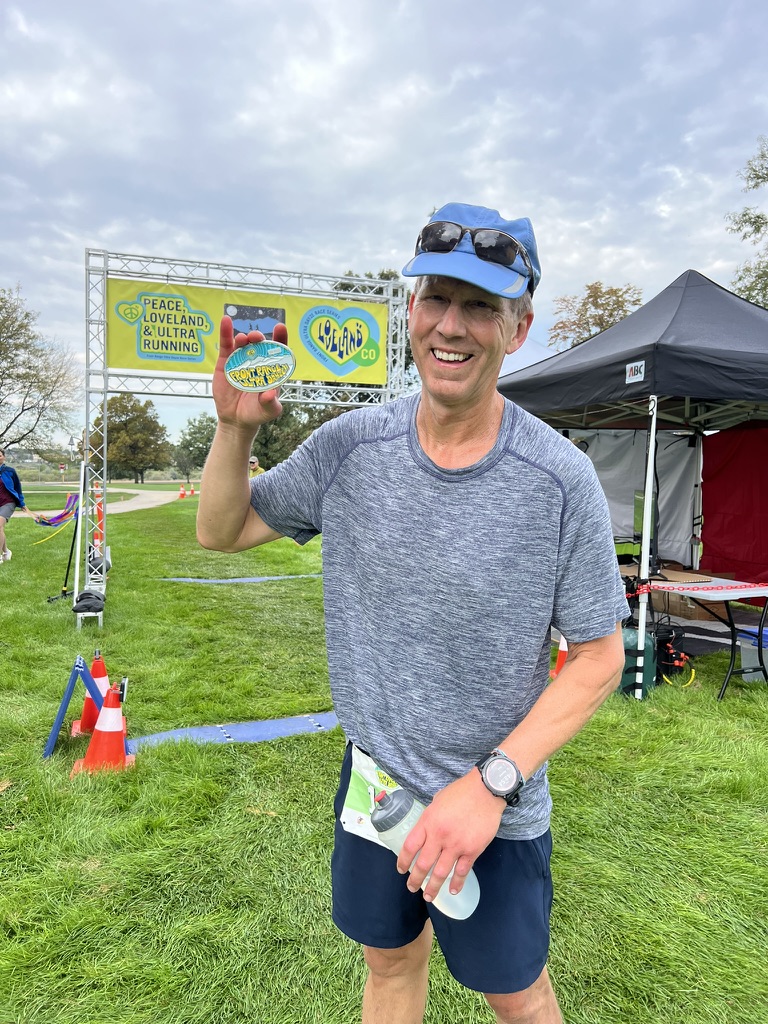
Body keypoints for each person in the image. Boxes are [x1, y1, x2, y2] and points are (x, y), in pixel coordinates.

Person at [197, 202, 628, 1024]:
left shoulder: (559, 479)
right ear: (410, 311)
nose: (452, 327)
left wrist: (490, 786)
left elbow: (600, 656)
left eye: (481, 308)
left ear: (519, 326)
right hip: (375, 789)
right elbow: (221, 529)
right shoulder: (350, 448)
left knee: (519, 994)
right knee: (389, 966)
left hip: (493, 813)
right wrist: (232, 431)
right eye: (436, 299)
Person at [0, 448, 30, 563]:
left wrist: (22, 503)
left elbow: (17, 488)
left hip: (8, 503)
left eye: (0, 455)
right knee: (0, 528)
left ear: (4, 457)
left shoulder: (10, 471)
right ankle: (6, 551)